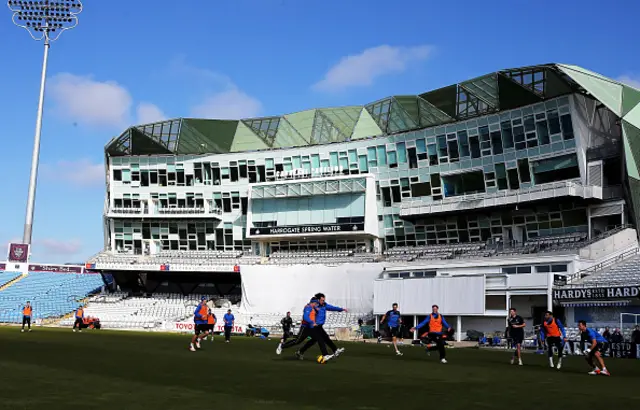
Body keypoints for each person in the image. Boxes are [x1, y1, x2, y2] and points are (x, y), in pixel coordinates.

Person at [277, 299, 333, 363]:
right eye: (316, 303)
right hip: (305, 328)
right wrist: (312, 322)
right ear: (313, 303)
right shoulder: (307, 307)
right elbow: (305, 317)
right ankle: (282, 346)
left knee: (317, 339)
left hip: (311, 328)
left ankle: (324, 355)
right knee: (297, 341)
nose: (317, 305)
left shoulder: (314, 307)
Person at [297, 293, 346, 359]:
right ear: (318, 300)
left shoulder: (324, 305)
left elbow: (332, 308)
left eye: (324, 300)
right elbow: (308, 311)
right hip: (314, 326)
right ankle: (326, 354)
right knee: (321, 339)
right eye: (322, 300)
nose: (323, 301)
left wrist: (341, 309)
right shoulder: (314, 306)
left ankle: (300, 351)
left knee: (316, 340)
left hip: (319, 326)